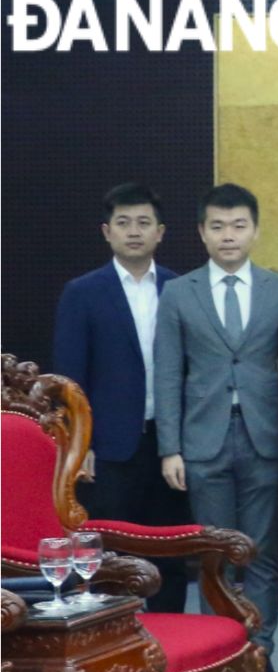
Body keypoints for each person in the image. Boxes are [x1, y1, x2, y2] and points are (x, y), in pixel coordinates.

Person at [154, 183, 278, 672]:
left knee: (260, 553)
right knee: (214, 554)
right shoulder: (179, 292)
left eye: (238, 226)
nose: (228, 236)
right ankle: (220, 657)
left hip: (264, 435)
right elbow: (167, 373)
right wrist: (170, 446)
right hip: (202, 440)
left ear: (255, 230)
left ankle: (259, 656)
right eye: (217, 226)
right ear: (201, 232)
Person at [51, 183, 190, 613]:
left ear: (161, 232)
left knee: (170, 551)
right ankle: (112, 652)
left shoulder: (181, 289)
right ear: (106, 232)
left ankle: (170, 649)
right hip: (108, 449)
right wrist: (80, 445)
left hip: (169, 444)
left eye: (144, 223)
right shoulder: (83, 292)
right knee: (108, 556)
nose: (134, 232)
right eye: (124, 223)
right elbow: (68, 380)